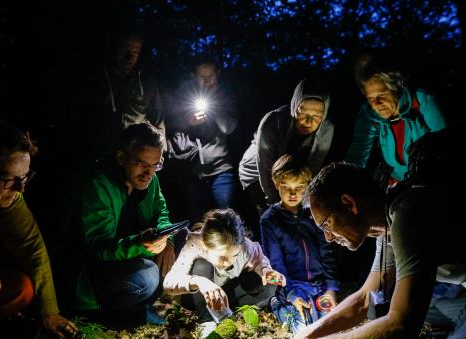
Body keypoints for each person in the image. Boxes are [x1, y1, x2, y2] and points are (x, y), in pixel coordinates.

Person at [281, 162, 466, 339]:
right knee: (401, 307)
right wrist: (306, 336)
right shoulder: (386, 223)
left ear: (349, 203)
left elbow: (400, 328)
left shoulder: (408, 215)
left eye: (326, 224)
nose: (328, 237)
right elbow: (365, 298)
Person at [0, 123, 77, 338]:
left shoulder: (7, 198)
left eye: (25, 177)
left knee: (22, 288)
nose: (20, 188)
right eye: (8, 179)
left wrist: (49, 311)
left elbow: (31, 247)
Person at [69, 123, 174, 325]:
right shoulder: (99, 183)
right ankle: (107, 315)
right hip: (97, 270)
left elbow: (161, 211)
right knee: (147, 278)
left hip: (131, 257)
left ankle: (139, 307)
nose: (149, 173)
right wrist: (140, 245)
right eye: (141, 164)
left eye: (156, 165)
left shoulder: (151, 178)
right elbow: (97, 248)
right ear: (121, 157)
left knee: (182, 240)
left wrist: (167, 238)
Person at [163, 208, 285, 339]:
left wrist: (265, 271)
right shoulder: (196, 244)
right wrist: (200, 282)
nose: (228, 262)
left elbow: (259, 260)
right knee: (202, 266)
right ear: (206, 245)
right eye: (222, 257)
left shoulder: (245, 246)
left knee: (269, 286)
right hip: (197, 299)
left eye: (234, 255)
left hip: (226, 294)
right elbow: (168, 284)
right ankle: (207, 322)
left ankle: (230, 313)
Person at [260, 154, 339, 333]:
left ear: (308, 184)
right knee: (304, 329)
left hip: (318, 286)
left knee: (329, 325)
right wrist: (292, 294)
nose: (293, 193)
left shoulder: (315, 213)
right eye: (286, 187)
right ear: (276, 184)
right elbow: (276, 263)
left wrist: (331, 289)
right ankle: (278, 304)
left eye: (299, 186)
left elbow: (327, 252)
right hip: (291, 286)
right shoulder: (269, 220)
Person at [68, 24, 165, 166]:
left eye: (135, 51)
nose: (129, 57)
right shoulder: (94, 80)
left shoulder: (146, 84)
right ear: (114, 47)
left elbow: (158, 123)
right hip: (99, 161)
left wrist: (157, 155)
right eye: (125, 49)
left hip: (136, 163)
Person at [239, 78, 334, 215]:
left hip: (292, 176)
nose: (308, 121)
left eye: (316, 116)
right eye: (303, 113)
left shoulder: (327, 128)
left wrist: (304, 203)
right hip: (257, 171)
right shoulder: (272, 122)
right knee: (268, 214)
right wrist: (276, 205)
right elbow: (265, 168)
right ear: (294, 106)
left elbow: (313, 167)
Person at [345, 64, 446, 184]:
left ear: (397, 88)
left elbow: (446, 144)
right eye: (370, 98)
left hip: (429, 180)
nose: (376, 104)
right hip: (397, 182)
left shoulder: (423, 101)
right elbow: (358, 152)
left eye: (381, 96)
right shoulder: (370, 113)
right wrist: (346, 181)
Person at [166, 55, 238, 223]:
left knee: (226, 220)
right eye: (202, 77)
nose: (207, 81)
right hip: (193, 170)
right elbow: (172, 123)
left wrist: (214, 108)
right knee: (197, 220)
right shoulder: (185, 95)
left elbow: (229, 127)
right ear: (194, 76)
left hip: (221, 169)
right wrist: (189, 121)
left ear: (218, 74)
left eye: (210, 76)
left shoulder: (226, 96)